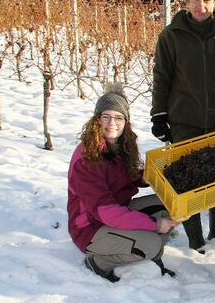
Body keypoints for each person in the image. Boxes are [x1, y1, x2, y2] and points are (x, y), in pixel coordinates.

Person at [150, 0, 215, 251]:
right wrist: (159, 114)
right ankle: (195, 240)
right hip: (184, 118)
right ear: (187, 1)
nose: (202, 5)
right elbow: (161, 75)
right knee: (185, 178)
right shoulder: (171, 35)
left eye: (207, 0)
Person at [68, 84, 178, 282]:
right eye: (106, 117)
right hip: (91, 229)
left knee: (169, 204)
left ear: (125, 121)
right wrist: (154, 224)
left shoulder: (119, 146)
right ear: (96, 120)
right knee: (152, 242)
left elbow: (128, 176)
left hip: (118, 212)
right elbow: (106, 211)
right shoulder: (87, 159)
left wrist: (155, 175)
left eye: (118, 117)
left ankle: (149, 257)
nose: (112, 123)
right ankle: (100, 262)